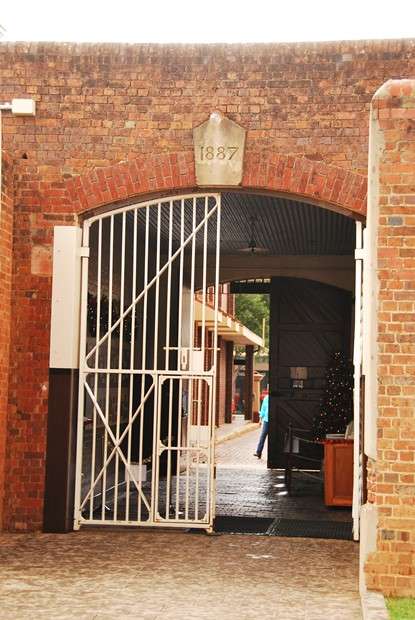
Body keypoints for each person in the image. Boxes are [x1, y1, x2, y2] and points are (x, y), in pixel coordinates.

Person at [254, 394, 269, 459]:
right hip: (266, 420)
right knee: (263, 436)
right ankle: (258, 452)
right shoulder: (266, 398)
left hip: (274, 420)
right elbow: (263, 409)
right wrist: (260, 420)